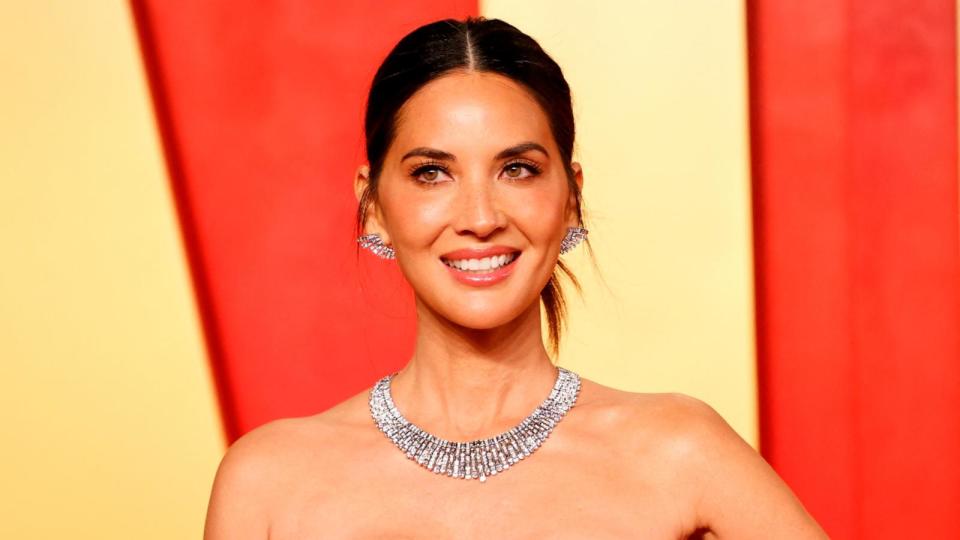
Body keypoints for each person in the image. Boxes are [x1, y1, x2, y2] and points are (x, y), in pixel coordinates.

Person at [204, 16, 828, 539]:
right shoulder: (269, 484)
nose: (480, 218)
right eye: (431, 173)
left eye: (518, 169)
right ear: (373, 206)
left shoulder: (679, 454)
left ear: (572, 198)